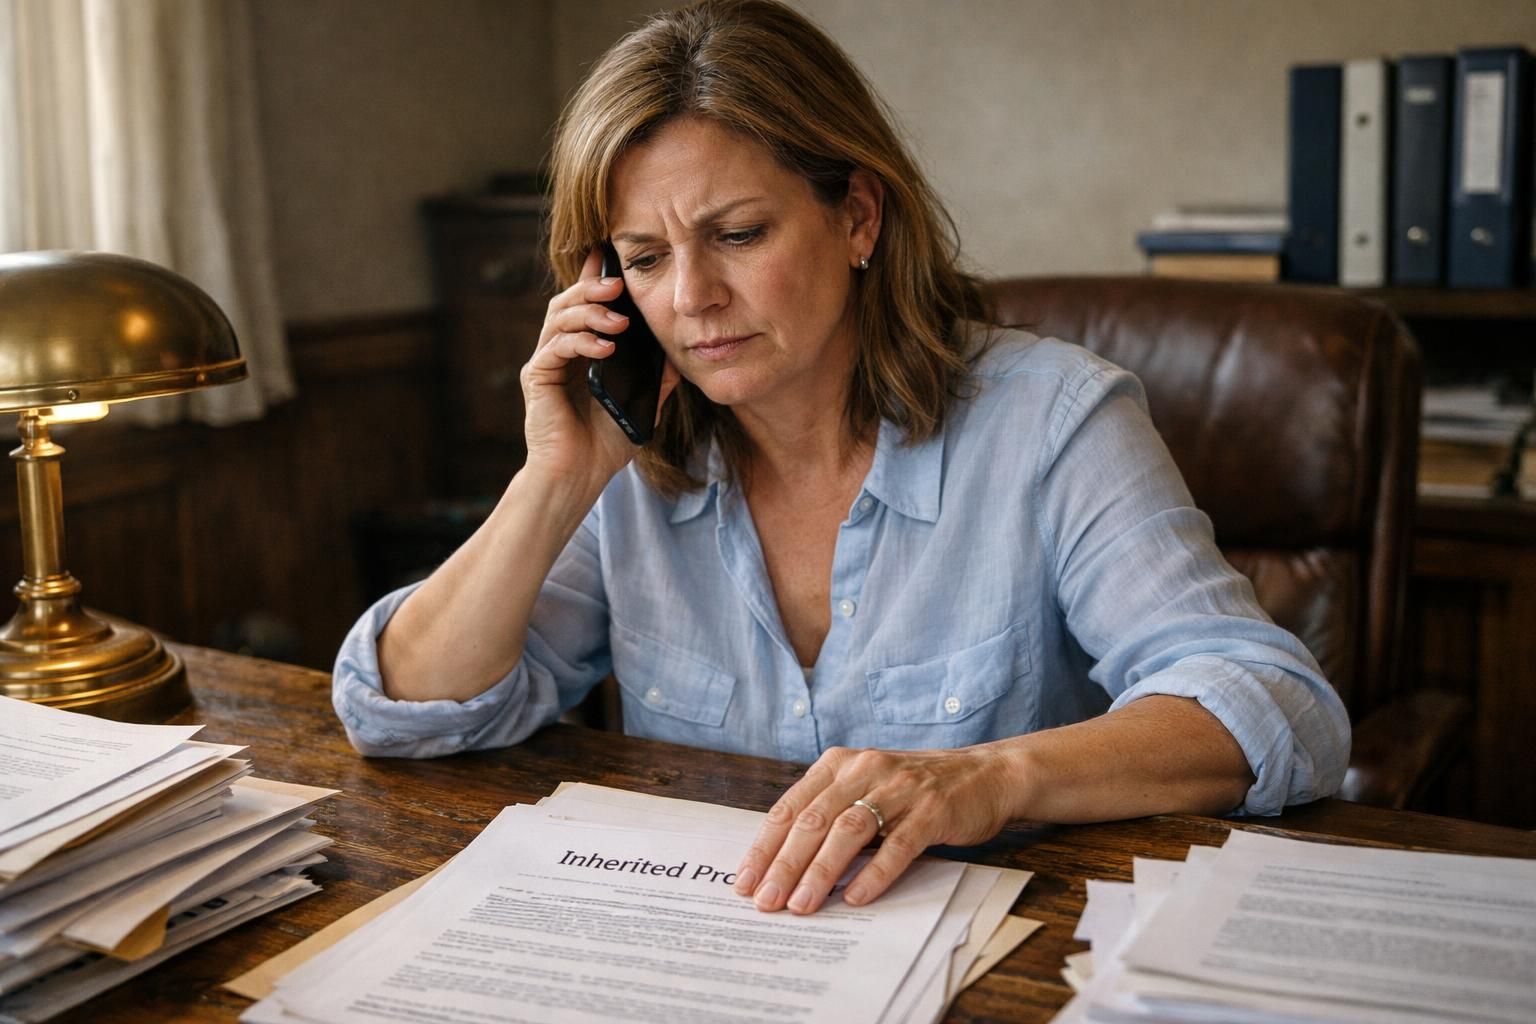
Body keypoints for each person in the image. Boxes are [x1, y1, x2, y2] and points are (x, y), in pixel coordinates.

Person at [333, 0, 1349, 917]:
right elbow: (401, 710)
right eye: (643, 258)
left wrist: (993, 776)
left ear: (857, 216)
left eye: (738, 234)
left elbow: (1273, 704)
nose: (690, 298)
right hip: (711, 945)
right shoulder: (628, 457)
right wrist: (554, 482)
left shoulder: (1052, 421)